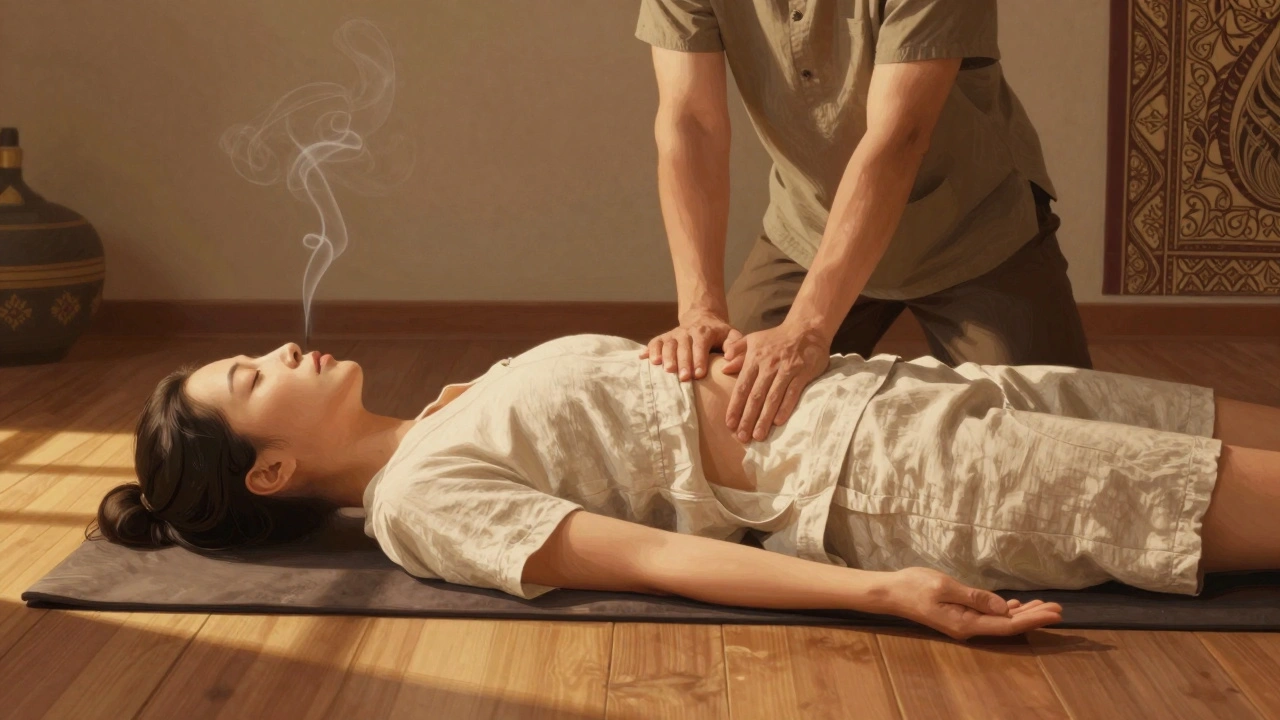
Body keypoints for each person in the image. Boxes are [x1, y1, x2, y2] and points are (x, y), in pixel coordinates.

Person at [93, 336, 1280, 641]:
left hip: (894, 389)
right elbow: (651, 560)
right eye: (250, 375)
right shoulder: (419, 505)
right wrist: (878, 593)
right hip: (900, 479)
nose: (280, 353)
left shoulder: (451, 406)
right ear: (273, 469)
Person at [634, 0, 1094, 446]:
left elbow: (900, 137)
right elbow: (692, 123)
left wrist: (808, 330)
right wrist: (700, 310)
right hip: (811, 231)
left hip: (972, 232)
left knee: (1051, 447)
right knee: (719, 411)